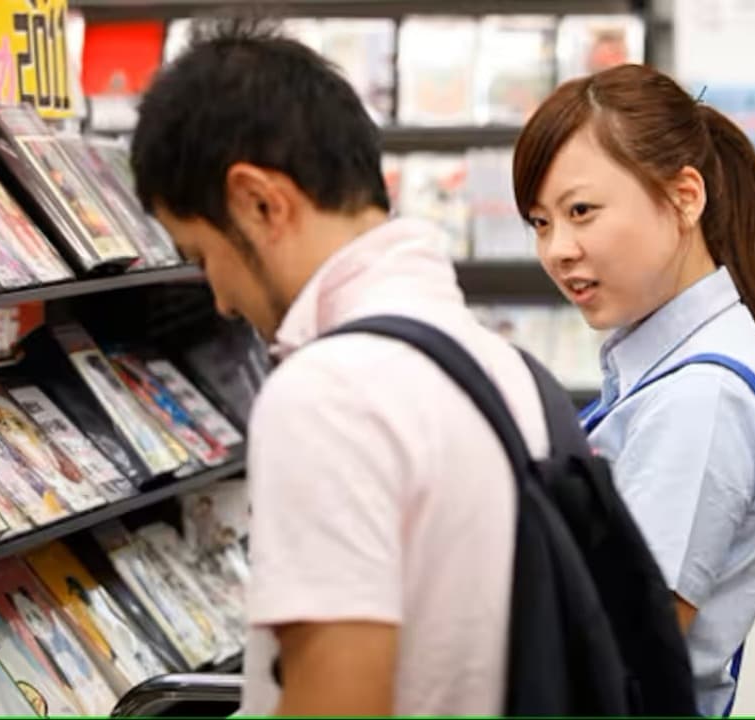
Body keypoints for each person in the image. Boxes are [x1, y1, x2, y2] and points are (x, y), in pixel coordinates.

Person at [130, 20, 547, 717]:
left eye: (203, 256)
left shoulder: (329, 394)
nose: (220, 300)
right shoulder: (496, 362)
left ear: (259, 201)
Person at [513, 63, 755, 716]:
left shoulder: (701, 400)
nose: (558, 250)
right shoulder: (675, 366)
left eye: (580, 212)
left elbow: (621, 653)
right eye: (540, 223)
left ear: (685, 197)